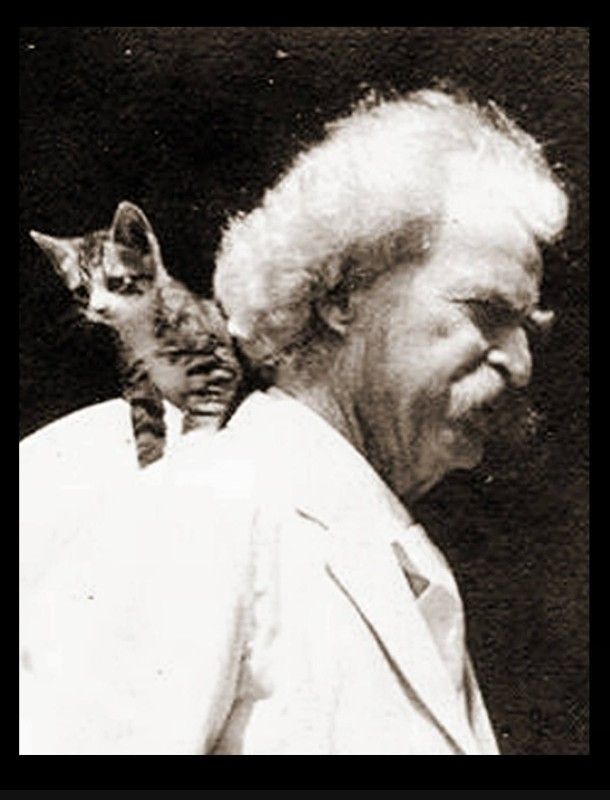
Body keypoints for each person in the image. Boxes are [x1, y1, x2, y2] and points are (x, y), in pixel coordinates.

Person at [19, 88, 568, 754]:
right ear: (341, 295)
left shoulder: (392, 557)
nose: (519, 363)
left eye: (527, 326)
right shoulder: (206, 507)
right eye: (486, 311)